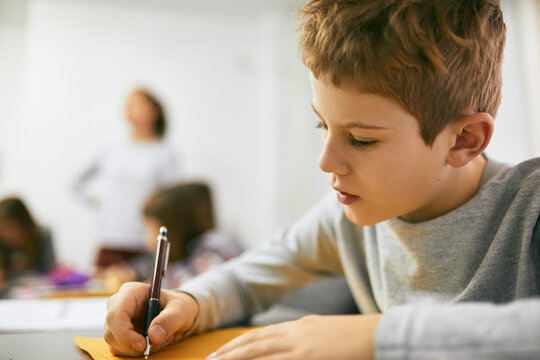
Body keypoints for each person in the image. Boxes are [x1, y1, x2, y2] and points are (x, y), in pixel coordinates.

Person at [104, 1, 540, 359]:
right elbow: (244, 280)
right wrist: (190, 303)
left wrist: (374, 336)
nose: (326, 161)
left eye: (362, 140)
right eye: (322, 127)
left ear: (464, 139)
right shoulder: (343, 218)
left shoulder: (530, 208)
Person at [72, 88, 179, 271]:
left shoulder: (164, 154)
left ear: (154, 110)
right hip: (109, 239)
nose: (129, 109)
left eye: (136, 104)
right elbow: (76, 181)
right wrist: (97, 202)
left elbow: (170, 201)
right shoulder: (110, 149)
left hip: (144, 245)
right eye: (127, 104)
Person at [99, 182, 244, 289]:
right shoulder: (188, 249)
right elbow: (151, 264)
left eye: (149, 227)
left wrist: (136, 284)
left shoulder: (217, 248)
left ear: (173, 229)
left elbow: (188, 284)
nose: (145, 236)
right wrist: (129, 273)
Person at [0, 197, 55, 287]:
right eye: (1, 228)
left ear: (24, 224)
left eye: (11, 227)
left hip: (37, 292)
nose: (6, 233)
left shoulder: (42, 234)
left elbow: (50, 270)